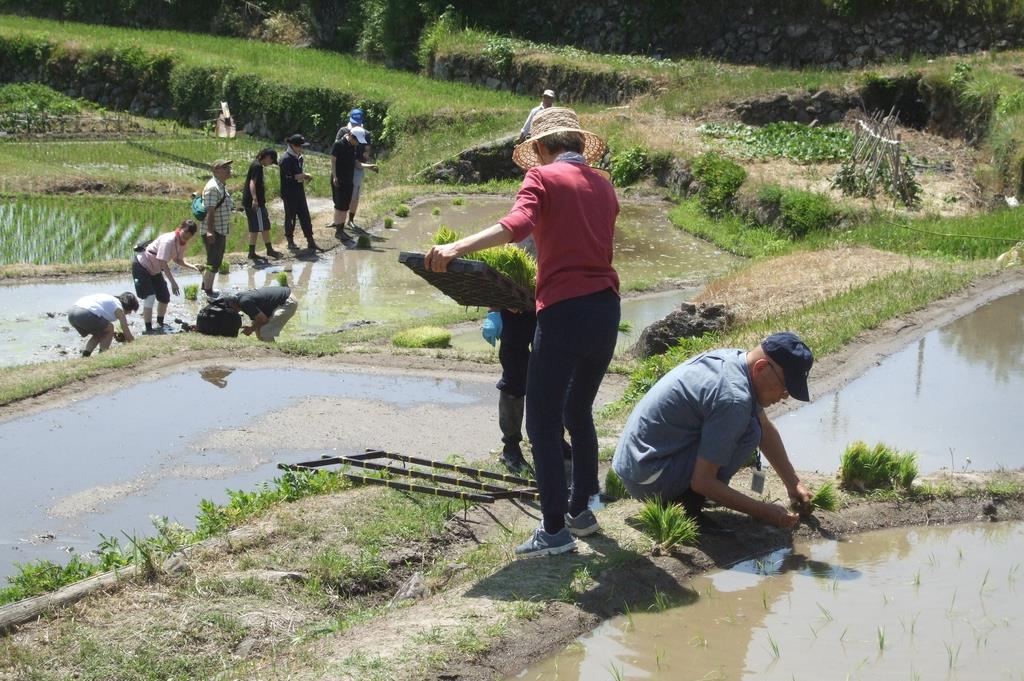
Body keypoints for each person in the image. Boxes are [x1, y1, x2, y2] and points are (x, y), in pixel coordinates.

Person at [425, 107, 619, 558]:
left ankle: (553, 532)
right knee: (579, 411)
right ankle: (581, 511)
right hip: (606, 309)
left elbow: (517, 226)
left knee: (543, 422)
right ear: (578, 144)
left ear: (542, 148)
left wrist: (457, 246)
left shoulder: (543, 179)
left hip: (564, 311)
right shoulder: (605, 186)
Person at [611, 332, 815, 531]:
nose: (785, 396)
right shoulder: (734, 398)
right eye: (785, 387)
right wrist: (764, 511)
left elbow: (766, 430)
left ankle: (686, 497)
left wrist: (793, 483)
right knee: (749, 432)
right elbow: (703, 481)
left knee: (754, 427)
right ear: (761, 368)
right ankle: (687, 506)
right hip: (647, 476)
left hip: (634, 462)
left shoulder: (736, 362)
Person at [133, 219, 203, 334]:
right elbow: (162, 262)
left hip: (155, 269)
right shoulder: (168, 240)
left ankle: (160, 323)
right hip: (142, 266)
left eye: (189, 236)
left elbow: (178, 260)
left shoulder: (182, 243)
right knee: (150, 296)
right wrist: (173, 282)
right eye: (185, 232)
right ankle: (148, 329)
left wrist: (193, 266)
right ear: (180, 228)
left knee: (164, 297)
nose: (186, 237)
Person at [279, 134, 318, 253]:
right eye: (300, 146)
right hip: (289, 192)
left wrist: (303, 176)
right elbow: (291, 176)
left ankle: (311, 241)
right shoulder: (285, 159)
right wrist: (305, 176)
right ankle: (290, 242)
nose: (302, 148)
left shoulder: (299, 157)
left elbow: (298, 174)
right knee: (291, 217)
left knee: (305, 215)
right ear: (293, 145)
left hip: (299, 190)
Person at [67, 292, 138, 356]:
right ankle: (103, 355)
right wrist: (135, 344)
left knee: (100, 333)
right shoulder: (119, 308)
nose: (130, 313)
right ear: (128, 306)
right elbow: (125, 329)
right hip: (85, 313)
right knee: (110, 329)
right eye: (131, 310)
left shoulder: (111, 300)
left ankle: (85, 355)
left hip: (71, 313)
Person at [202, 159, 235, 296]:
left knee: (214, 259)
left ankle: (205, 287)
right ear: (216, 171)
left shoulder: (221, 185)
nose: (229, 170)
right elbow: (210, 211)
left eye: (228, 167)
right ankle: (208, 291)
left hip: (220, 229)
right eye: (225, 168)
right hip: (214, 230)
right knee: (214, 261)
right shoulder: (213, 187)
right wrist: (210, 232)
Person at [242, 148, 283, 260]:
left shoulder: (256, 164)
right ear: (267, 157)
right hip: (256, 204)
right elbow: (252, 183)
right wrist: (255, 200)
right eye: (271, 160)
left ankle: (251, 253)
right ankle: (269, 250)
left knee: (254, 228)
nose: (270, 163)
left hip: (249, 202)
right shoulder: (257, 166)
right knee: (264, 225)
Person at [330, 125, 370, 237]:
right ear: (352, 137)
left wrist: (369, 166)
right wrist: (335, 176)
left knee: (345, 205)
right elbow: (333, 161)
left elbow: (356, 163)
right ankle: (338, 231)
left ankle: (341, 229)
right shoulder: (338, 144)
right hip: (339, 178)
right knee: (339, 205)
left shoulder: (353, 147)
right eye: (357, 141)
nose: (358, 144)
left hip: (349, 179)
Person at [221, 285, 298, 342]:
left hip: (287, 302)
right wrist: (253, 327)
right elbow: (259, 319)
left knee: (265, 330)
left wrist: (251, 329)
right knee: (257, 326)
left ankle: (272, 355)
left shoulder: (244, 302)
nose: (232, 311)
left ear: (233, 303)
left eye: (230, 307)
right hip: (283, 298)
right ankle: (266, 349)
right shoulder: (241, 298)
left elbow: (263, 320)